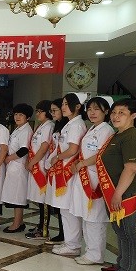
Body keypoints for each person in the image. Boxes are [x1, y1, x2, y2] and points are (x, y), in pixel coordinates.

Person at [65, 97, 115, 264]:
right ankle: (89, 252)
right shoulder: (92, 128)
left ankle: (95, 255)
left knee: (95, 218)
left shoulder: (106, 130)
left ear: (106, 111)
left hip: (95, 178)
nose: (92, 112)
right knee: (87, 216)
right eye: (90, 109)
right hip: (85, 175)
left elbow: (101, 155)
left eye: (97, 109)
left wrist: (82, 164)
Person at [97, 98, 136, 271]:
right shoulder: (117, 135)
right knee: (120, 230)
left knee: (128, 233)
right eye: (114, 112)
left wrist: (118, 193)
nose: (116, 116)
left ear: (133, 115)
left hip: (125, 193)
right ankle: (122, 263)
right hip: (114, 192)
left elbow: (132, 168)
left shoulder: (131, 136)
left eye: (122, 113)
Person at [49, 93, 88, 257]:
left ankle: (73, 245)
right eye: (63, 104)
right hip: (63, 170)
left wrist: (57, 157)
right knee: (64, 209)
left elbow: (73, 149)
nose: (63, 107)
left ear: (77, 107)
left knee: (68, 209)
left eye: (66, 104)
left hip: (68, 172)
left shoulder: (76, 125)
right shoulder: (70, 124)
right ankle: (70, 242)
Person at [1, 104, 34, 233]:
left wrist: (9, 158)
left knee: (18, 197)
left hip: (19, 167)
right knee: (14, 196)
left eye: (21, 115)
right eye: (16, 114)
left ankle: (17, 224)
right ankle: (19, 222)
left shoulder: (26, 130)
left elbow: (24, 149)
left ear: (28, 117)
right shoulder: (18, 129)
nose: (17, 117)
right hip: (13, 167)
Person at [24, 100, 54, 240]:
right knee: (39, 200)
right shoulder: (41, 126)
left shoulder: (49, 126)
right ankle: (40, 225)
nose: (38, 114)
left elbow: (44, 147)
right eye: (37, 111)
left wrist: (32, 162)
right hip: (36, 165)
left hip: (41, 167)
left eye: (40, 111)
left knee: (43, 201)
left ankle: (44, 230)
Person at [42, 99, 68, 245]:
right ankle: (62, 233)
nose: (52, 113)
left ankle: (64, 234)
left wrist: (51, 160)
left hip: (61, 168)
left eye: (55, 110)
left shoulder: (67, 126)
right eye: (51, 111)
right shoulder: (57, 125)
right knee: (56, 204)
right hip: (54, 167)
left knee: (62, 204)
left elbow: (62, 148)